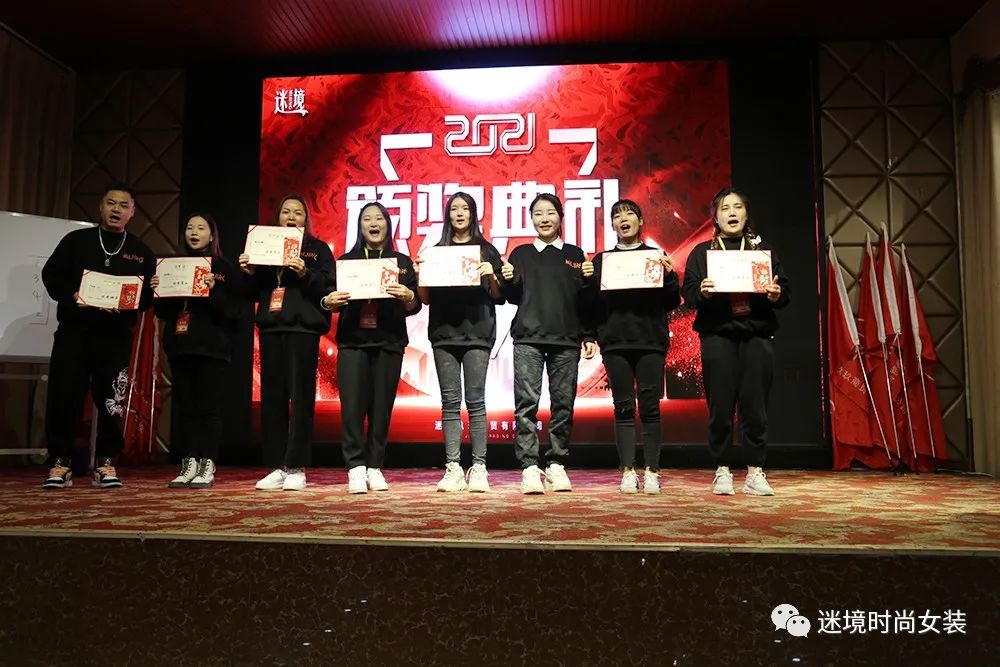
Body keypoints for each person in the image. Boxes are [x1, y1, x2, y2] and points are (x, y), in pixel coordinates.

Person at [41, 182, 156, 489]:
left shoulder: (141, 252)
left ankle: (106, 462)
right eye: (111, 203)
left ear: (132, 212)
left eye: (123, 205)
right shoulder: (75, 241)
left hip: (114, 337)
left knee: (111, 401)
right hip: (74, 334)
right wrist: (73, 295)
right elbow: (51, 275)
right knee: (64, 397)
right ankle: (60, 462)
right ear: (101, 206)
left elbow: (145, 298)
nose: (116, 209)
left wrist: (130, 303)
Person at [680, 187, 790, 496]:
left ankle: (755, 470)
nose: (732, 212)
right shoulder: (702, 252)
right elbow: (688, 294)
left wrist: (776, 294)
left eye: (737, 207)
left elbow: (785, 292)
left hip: (756, 335)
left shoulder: (761, 250)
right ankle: (723, 469)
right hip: (718, 336)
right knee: (720, 406)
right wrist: (701, 292)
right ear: (715, 217)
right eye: (725, 208)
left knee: (756, 407)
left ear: (746, 213)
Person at [500, 193, 596, 494]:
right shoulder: (520, 254)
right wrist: (508, 279)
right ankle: (529, 466)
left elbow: (585, 301)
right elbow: (512, 297)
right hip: (528, 338)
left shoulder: (575, 254)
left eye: (550, 212)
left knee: (563, 405)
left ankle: (556, 464)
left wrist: (589, 334)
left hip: (566, 338)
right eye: (538, 213)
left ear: (560, 217)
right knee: (526, 405)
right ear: (531, 219)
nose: (544, 218)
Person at [323, 202, 421, 494]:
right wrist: (329, 302)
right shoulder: (346, 261)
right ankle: (355, 467)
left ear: (388, 225)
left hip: (389, 341)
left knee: (381, 408)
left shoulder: (401, 262)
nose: (374, 223)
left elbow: (415, 304)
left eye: (379, 218)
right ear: (360, 225)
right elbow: (328, 298)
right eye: (367, 218)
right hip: (353, 341)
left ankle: (375, 466)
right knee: (352, 408)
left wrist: (408, 297)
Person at [239, 195, 333, 491]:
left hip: (303, 329)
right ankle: (277, 465)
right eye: (285, 212)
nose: (291, 217)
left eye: (298, 213)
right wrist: (249, 273)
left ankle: (297, 466)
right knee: (272, 399)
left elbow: (328, 288)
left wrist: (305, 273)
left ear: (306, 219)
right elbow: (250, 293)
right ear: (277, 217)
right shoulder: (263, 246)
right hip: (271, 328)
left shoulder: (317, 250)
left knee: (301, 399)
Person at [588, 199, 681, 494]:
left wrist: (670, 277)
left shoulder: (656, 257)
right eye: (617, 216)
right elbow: (592, 304)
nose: (623, 219)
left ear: (641, 222)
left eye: (630, 214)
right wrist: (591, 334)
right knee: (623, 407)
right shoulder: (602, 261)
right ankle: (628, 470)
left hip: (650, 340)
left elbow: (671, 302)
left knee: (651, 407)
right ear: (612, 225)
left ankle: (652, 470)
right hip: (615, 342)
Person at [415, 192, 504, 493]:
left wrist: (492, 275)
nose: (460, 213)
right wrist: (420, 275)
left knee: (476, 401)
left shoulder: (486, 250)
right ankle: (452, 467)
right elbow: (425, 299)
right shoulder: (435, 252)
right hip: (444, 333)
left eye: (465, 208)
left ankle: (479, 467)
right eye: (454, 209)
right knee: (450, 402)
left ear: (473, 213)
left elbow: (499, 296)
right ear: (448, 215)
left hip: (478, 332)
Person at [152, 213, 242, 488]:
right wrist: (158, 290)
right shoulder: (174, 266)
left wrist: (214, 290)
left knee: (209, 408)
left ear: (212, 235)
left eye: (201, 228)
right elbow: (163, 312)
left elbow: (232, 312)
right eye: (190, 227)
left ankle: (207, 463)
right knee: (186, 409)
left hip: (213, 348)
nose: (194, 232)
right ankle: (188, 461)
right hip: (181, 346)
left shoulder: (223, 267)